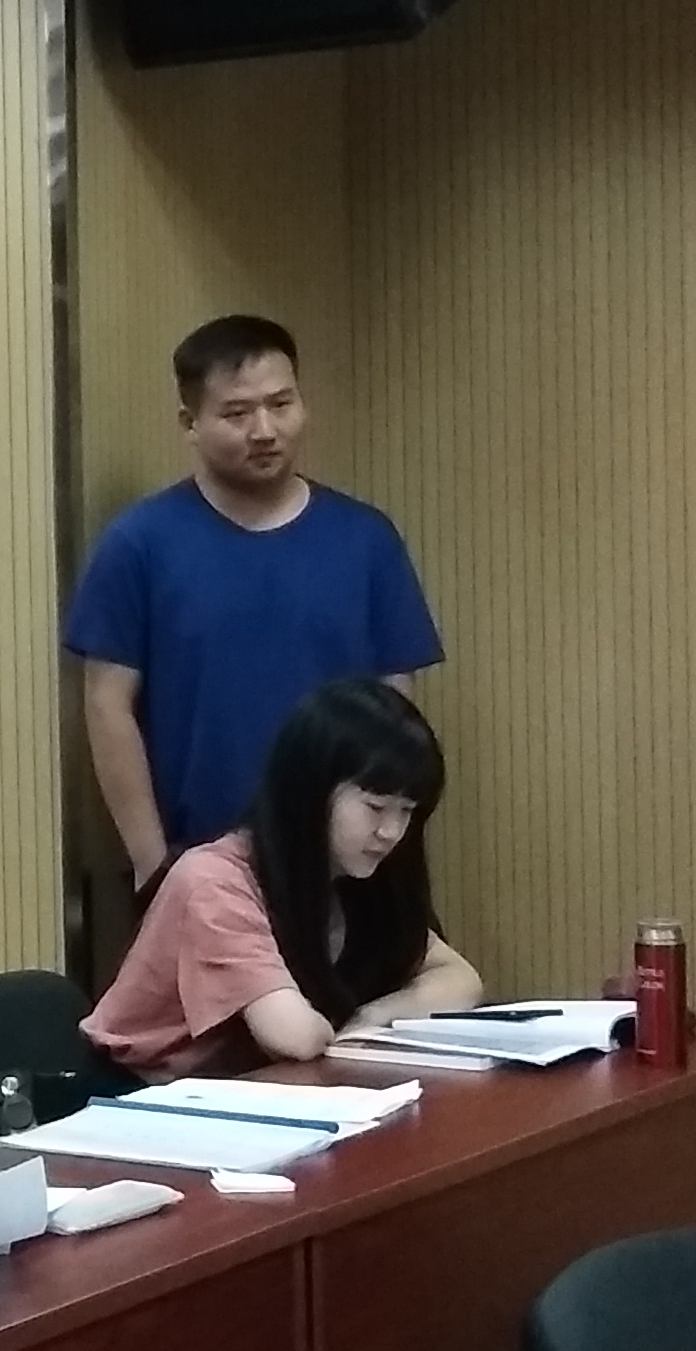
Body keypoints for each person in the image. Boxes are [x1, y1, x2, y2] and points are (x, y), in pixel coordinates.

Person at [67, 316, 443, 895]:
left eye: (281, 404)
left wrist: (380, 838)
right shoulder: (139, 543)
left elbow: (394, 703)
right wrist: (153, 863)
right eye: (237, 413)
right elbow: (107, 703)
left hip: (349, 871)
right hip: (200, 868)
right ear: (190, 424)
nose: (264, 430)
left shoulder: (366, 539)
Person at [88, 678, 480, 1076]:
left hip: (256, 1087)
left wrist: (372, 1017)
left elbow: (461, 979)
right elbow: (294, 1037)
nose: (392, 832)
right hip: (136, 1092)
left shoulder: (357, 878)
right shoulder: (215, 880)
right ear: (310, 792)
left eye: (407, 811)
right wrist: (351, 1032)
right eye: (375, 807)